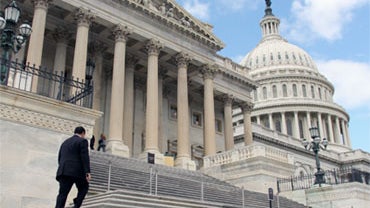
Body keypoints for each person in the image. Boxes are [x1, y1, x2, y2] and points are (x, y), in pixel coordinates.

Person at [55, 126, 91, 208]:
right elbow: (84, 157)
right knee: (84, 188)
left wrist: (63, 169)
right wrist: (87, 172)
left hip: (63, 172)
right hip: (77, 172)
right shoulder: (83, 141)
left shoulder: (65, 142)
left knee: (62, 195)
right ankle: (76, 204)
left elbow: (60, 157)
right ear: (83, 133)